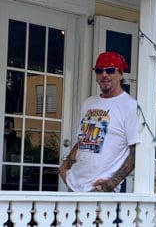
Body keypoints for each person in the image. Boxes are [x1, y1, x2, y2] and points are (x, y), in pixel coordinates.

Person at [59, 51, 141, 192]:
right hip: (74, 185)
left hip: (100, 192)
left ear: (121, 74)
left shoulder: (130, 106)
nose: (104, 75)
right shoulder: (89, 103)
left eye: (110, 70)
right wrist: (64, 168)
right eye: (99, 71)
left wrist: (111, 184)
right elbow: (83, 139)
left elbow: (136, 152)